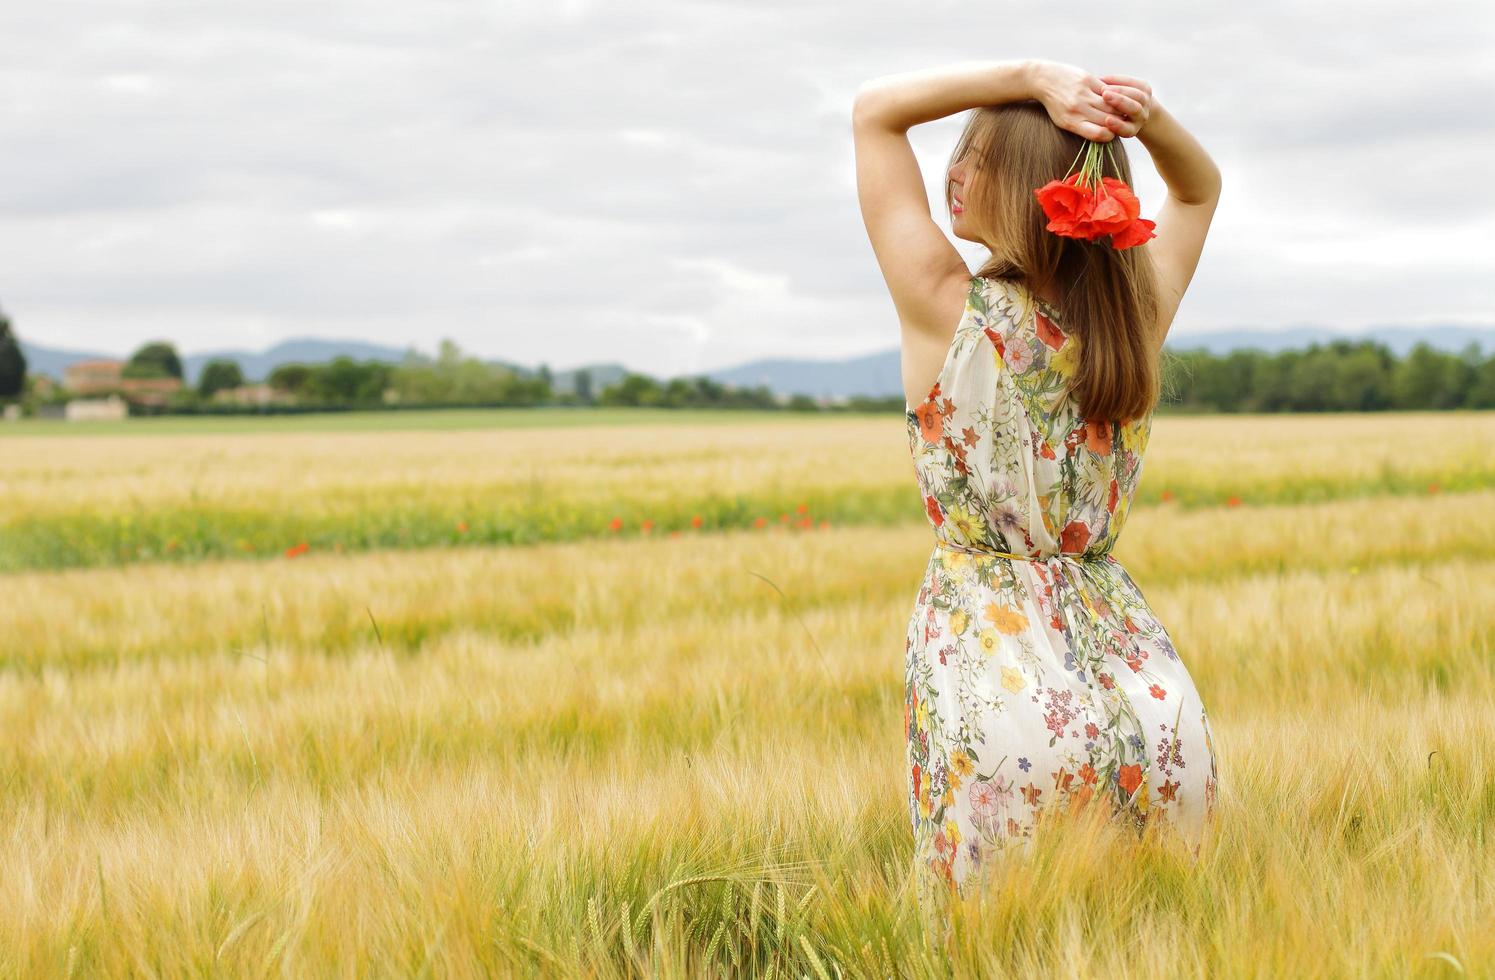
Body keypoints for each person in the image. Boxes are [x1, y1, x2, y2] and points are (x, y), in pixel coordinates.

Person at [852, 59, 1223, 927]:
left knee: (981, 924)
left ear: (1022, 186)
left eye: (973, 159)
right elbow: (1199, 192)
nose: (952, 174)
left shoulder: (946, 307)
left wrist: (1028, 75)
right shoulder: (1132, 322)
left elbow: (875, 112)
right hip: (1137, 675)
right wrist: (1147, 118)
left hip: (988, 655)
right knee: (1148, 922)